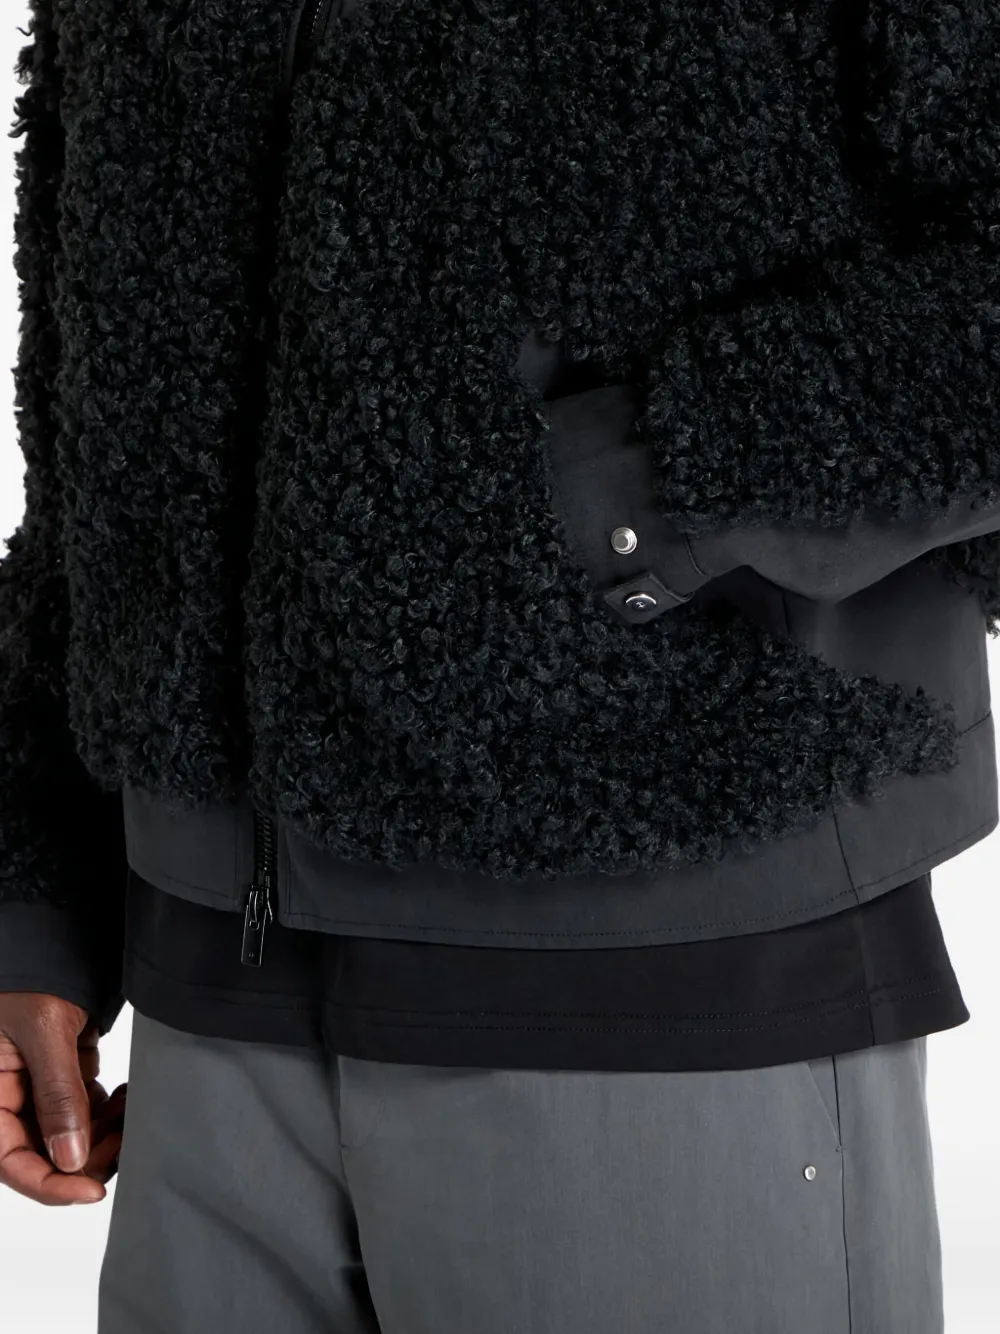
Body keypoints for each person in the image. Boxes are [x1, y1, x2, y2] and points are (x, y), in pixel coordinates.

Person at [2, 1, 1000, 1330]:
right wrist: (40, 884)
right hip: (209, 1016)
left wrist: (638, 496)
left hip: (662, 978)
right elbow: (101, 361)